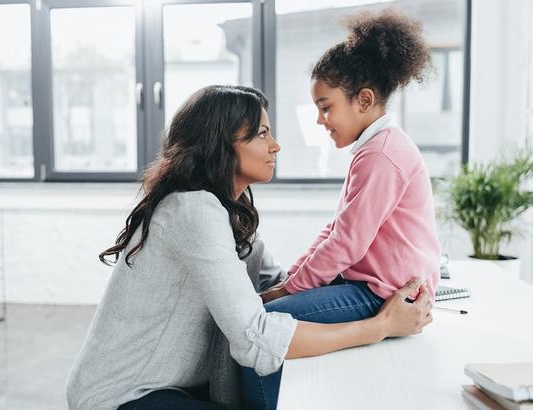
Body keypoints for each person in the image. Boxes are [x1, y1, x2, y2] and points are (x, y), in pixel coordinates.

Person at [66, 85, 433, 410]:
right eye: (261, 134)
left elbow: (277, 286)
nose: (275, 145)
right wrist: (381, 325)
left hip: (181, 387)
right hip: (126, 396)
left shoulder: (228, 216)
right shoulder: (192, 211)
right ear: (220, 146)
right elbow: (254, 337)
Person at [250, 9, 441, 409]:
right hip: (371, 285)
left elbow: (346, 243)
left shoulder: (382, 154)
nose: (320, 120)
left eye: (326, 107)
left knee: (265, 328)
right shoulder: (377, 148)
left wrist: (288, 289)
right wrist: (294, 277)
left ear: (364, 100)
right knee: (275, 305)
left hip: (381, 293)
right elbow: (338, 229)